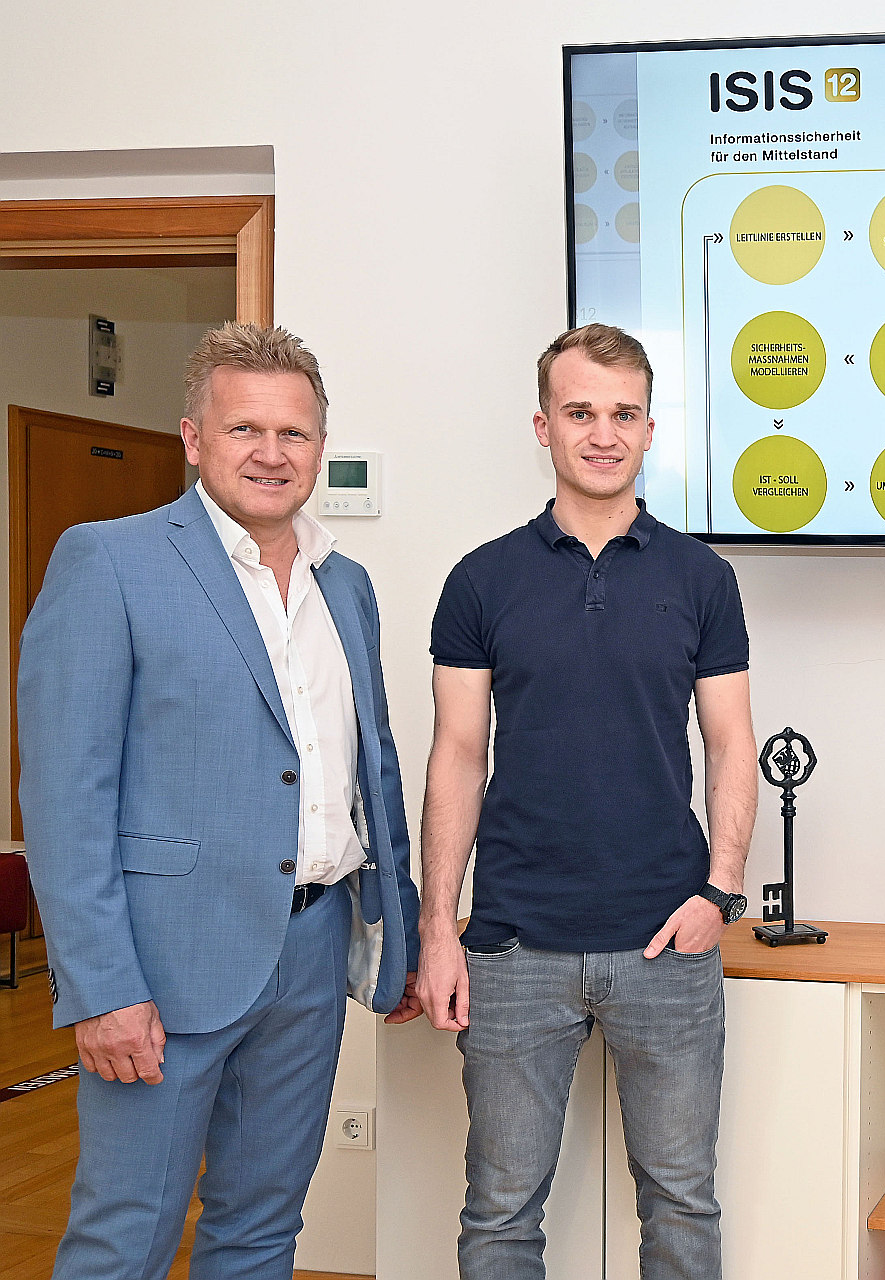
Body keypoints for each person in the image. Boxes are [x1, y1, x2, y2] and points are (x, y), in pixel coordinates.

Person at [20, 321, 422, 1280]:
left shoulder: (348, 585)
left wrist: (397, 935)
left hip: (315, 951)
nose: (272, 454)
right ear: (194, 438)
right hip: (163, 966)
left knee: (264, 1228)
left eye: (294, 434)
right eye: (245, 430)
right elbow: (66, 795)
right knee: (127, 1236)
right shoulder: (109, 561)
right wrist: (103, 986)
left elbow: (373, 773)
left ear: (319, 446)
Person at [416, 323, 758, 1279]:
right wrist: (439, 929)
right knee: (499, 1212)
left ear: (650, 429)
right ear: (543, 425)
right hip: (515, 946)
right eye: (580, 413)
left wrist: (720, 893)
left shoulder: (703, 579)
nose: (602, 433)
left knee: (683, 1203)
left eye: (623, 414)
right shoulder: (481, 580)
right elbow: (455, 756)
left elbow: (733, 745)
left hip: (668, 942)